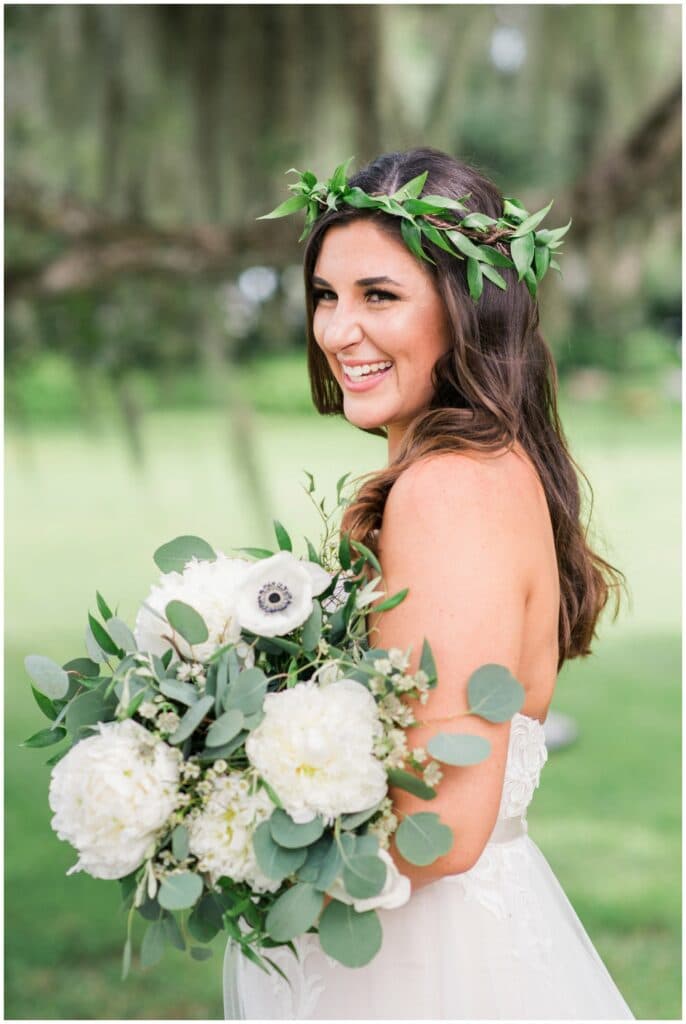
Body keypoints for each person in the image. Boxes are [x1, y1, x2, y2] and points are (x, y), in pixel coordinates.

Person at [224, 147, 634, 1019]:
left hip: (420, 968)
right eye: (326, 296)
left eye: (379, 296)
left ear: (465, 308)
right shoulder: (485, 468)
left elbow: (441, 824)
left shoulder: (449, 491)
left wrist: (214, 831)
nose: (337, 331)